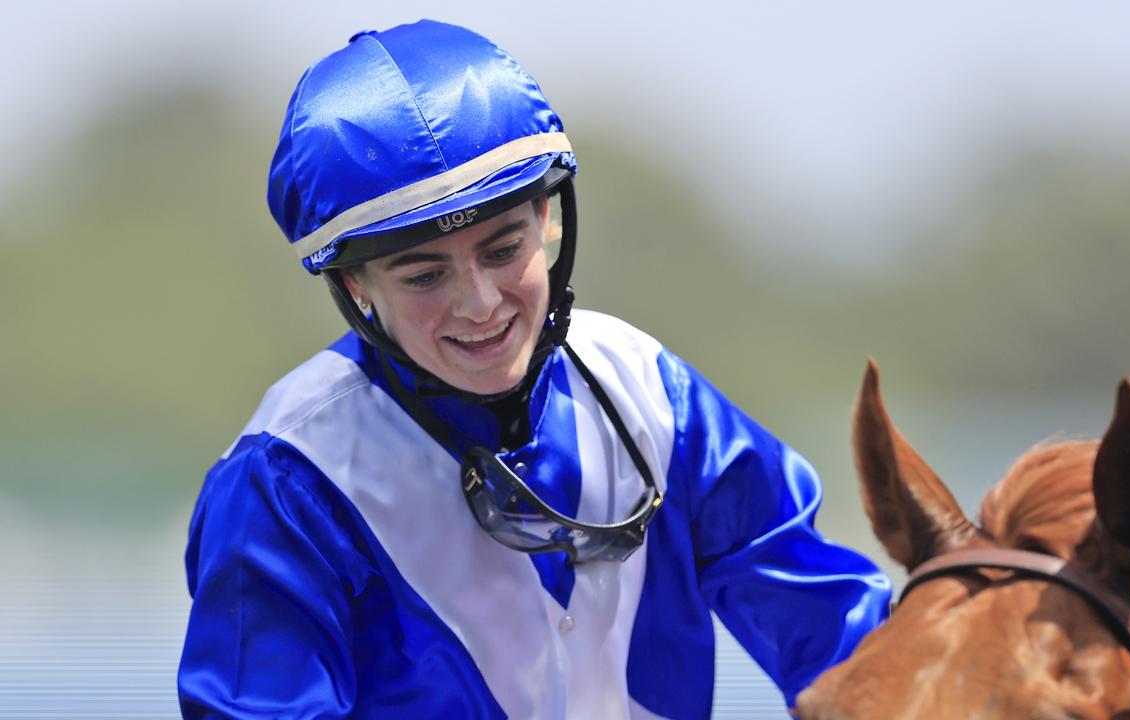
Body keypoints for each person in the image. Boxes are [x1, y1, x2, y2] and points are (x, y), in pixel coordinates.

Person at [178, 18, 890, 719]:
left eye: (502, 250)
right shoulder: (285, 480)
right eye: (425, 277)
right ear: (357, 287)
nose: (481, 306)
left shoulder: (649, 388)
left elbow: (846, 643)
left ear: (547, 219)